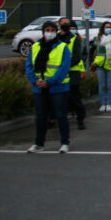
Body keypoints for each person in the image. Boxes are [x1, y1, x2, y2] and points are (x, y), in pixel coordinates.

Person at [25, 21, 71, 153]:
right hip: (39, 87)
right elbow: (29, 65)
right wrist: (34, 81)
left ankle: (64, 142)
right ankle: (39, 143)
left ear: (56, 31)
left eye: (52, 30)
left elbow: (64, 68)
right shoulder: (35, 47)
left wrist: (49, 82)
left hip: (58, 87)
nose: (49, 32)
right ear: (43, 31)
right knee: (40, 116)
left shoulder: (62, 47)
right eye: (47, 29)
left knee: (60, 115)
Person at [57, 18, 87, 130]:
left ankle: (80, 119)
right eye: (63, 23)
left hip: (72, 72)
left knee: (75, 98)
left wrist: (64, 66)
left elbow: (77, 57)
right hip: (58, 73)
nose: (65, 25)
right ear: (59, 25)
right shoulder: (55, 39)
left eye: (67, 24)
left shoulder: (74, 39)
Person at [91, 21, 111, 112]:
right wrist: (93, 62)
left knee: (109, 85)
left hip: (110, 64)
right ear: (102, 28)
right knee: (101, 85)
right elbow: (92, 51)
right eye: (106, 27)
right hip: (99, 64)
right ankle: (102, 103)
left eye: (109, 27)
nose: (108, 29)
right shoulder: (97, 39)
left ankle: (108, 103)